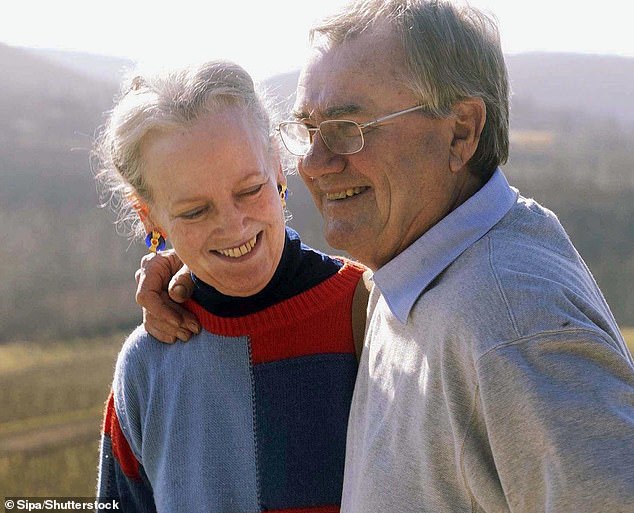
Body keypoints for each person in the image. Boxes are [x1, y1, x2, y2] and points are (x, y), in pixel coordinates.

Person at [137, 1, 634, 511]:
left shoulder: (512, 321)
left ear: (461, 130)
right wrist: (208, 263)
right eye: (308, 129)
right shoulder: (413, 273)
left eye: (348, 128)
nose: (313, 162)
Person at [94, 60, 369, 512]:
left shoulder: (371, 314)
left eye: (249, 189)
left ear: (278, 168)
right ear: (149, 217)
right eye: (195, 211)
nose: (234, 226)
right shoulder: (147, 367)